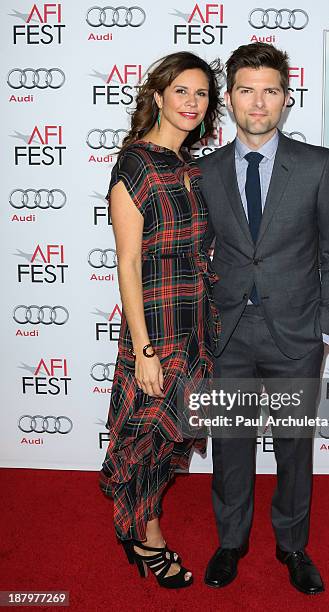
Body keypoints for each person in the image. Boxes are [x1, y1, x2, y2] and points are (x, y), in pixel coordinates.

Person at [197, 42, 329, 594]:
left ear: (286, 99)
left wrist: (326, 324)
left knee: (293, 445)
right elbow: (198, 253)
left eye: (270, 91)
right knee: (230, 442)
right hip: (228, 333)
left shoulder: (318, 165)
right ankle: (230, 541)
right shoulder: (208, 171)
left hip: (296, 334)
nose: (257, 103)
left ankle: (292, 546)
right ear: (230, 98)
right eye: (246, 90)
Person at [99, 51, 222, 589]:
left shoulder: (192, 167)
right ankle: (148, 538)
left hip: (195, 325)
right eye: (182, 92)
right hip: (156, 331)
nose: (192, 103)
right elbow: (127, 262)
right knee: (144, 440)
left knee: (170, 440)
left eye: (202, 95)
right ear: (157, 96)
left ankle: (142, 528)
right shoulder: (135, 164)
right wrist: (144, 350)